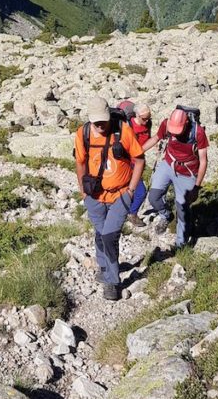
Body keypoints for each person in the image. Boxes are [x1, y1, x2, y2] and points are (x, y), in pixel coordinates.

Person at [74, 96, 145, 300]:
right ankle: (105, 267)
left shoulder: (123, 130)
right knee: (100, 233)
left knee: (109, 236)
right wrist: (83, 192)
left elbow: (139, 160)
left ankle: (113, 282)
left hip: (120, 195)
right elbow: (80, 162)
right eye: (96, 122)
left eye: (103, 121)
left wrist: (131, 189)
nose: (100, 125)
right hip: (94, 196)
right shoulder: (83, 133)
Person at [142, 104, 208, 249]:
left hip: (187, 172)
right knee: (154, 197)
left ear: (186, 123)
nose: (176, 134)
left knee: (182, 209)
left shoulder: (198, 132)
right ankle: (166, 215)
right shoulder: (167, 124)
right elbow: (155, 139)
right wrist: (138, 152)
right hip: (168, 164)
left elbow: (203, 161)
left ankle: (181, 244)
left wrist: (196, 187)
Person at [114, 100, 152, 224]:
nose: (146, 121)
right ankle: (131, 213)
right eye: (144, 119)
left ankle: (125, 212)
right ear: (136, 115)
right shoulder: (127, 126)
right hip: (128, 163)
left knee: (133, 189)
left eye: (148, 118)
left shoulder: (148, 124)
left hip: (139, 162)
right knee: (140, 192)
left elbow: (147, 139)